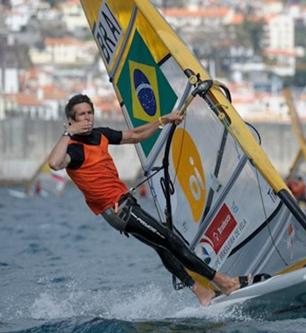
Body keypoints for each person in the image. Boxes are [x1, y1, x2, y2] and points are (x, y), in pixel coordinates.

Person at [48, 94, 248, 305]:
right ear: (72, 120)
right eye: (82, 115)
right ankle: (224, 282)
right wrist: (68, 133)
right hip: (119, 210)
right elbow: (54, 163)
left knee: (161, 246)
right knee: (169, 239)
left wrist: (163, 120)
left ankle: (202, 292)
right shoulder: (74, 149)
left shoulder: (100, 135)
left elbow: (135, 135)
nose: (87, 118)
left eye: (90, 113)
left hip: (125, 205)